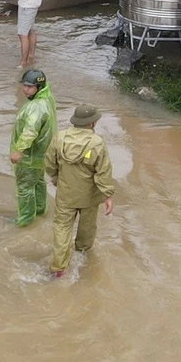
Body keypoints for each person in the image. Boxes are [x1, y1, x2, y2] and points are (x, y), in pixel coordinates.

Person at [44, 104, 116, 278]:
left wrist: (55, 177)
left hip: (66, 194)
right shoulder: (96, 143)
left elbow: (48, 163)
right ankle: (82, 256)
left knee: (62, 228)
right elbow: (103, 172)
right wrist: (107, 195)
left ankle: (58, 267)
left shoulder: (59, 138)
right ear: (92, 123)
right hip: (89, 196)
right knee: (87, 227)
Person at [9, 67, 56, 227]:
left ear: (39, 88)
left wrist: (18, 150)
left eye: (29, 86)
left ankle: (26, 221)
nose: (24, 89)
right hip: (41, 155)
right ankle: (41, 211)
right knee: (38, 182)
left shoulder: (36, 107)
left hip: (30, 156)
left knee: (25, 188)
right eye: (24, 85)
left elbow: (30, 130)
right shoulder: (47, 99)